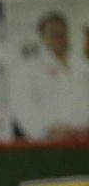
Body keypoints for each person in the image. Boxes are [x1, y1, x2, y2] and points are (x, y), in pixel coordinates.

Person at [10, 11, 89, 140]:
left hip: (84, 140)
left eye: (63, 33)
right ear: (42, 37)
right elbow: (22, 106)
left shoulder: (83, 65)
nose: (60, 38)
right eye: (53, 34)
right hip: (52, 140)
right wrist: (47, 130)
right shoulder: (28, 68)